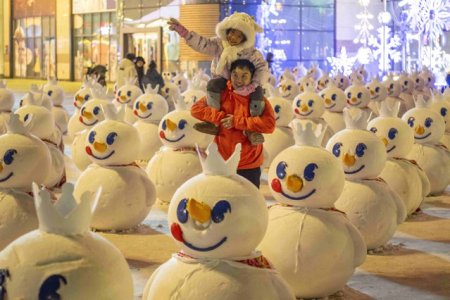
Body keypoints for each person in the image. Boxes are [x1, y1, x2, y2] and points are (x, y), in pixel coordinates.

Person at [168, 12, 270, 145]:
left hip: (245, 85)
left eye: (239, 36)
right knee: (213, 85)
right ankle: (213, 121)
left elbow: (262, 68)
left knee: (258, 93)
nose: (233, 37)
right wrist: (184, 32)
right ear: (227, 30)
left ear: (245, 38)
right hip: (222, 80)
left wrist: (253, 84)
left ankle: (253, 129)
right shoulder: (219, 44)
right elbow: (202, 44)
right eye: (232, 32)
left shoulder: (250, 52)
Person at [191, 59, 275, 188]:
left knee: (248, 202)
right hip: (221, 160)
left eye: (244, 76)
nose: (238, 79)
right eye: (235, 75)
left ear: (252, 77)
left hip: (249, 163)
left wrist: (237, 121)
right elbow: (196, 109)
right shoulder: (221, 95)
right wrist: (220, 117)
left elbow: (269, 124)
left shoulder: (258, 100)